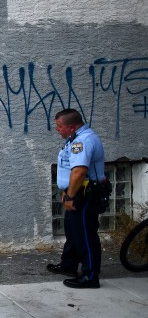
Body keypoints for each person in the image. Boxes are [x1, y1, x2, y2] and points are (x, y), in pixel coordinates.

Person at [46, 108, 106, 289]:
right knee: (73, 231)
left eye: (59, 126)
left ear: (71, 127)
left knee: (85, 235)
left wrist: (71, 195)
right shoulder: (75, 138)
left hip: (84, 195)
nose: (57, 129)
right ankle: (69, 265)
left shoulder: (83, 141)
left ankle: (90, 276)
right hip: (76, 191)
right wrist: (67, 190)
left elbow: (79, 171)